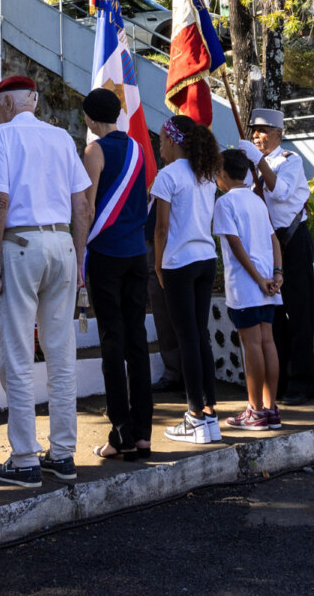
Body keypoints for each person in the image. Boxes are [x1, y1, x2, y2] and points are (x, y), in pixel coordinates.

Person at [0, 75, 91, 488]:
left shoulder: (0, 137)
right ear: (35, 101)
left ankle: (24, 458)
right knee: (61, 357)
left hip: (21, 244)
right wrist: (78, 260)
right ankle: (62, 453)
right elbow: (81, 203)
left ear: (7, 104)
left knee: (19, 356)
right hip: (62, 243)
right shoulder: (61, 139)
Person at [81, 88, 153, 460]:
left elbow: (88, 208)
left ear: (91, 120)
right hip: (136, 254)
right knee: (137, 341)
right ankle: (143, 434)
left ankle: (120, 435)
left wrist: (79, 253)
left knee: (113, 342)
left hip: (107, 254)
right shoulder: (139, 148)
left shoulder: (94, 150)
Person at [238, 108, 314, 404]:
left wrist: (258, 162)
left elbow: (280, 192)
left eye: (263, 131)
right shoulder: (253, 167)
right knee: (275, 317)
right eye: (254, 131)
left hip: (293, 241)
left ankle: (303, 382)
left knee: (299, 311)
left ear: (278, 134)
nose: (257, 136)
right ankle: (279, 381)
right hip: (268, 245)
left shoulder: (289, 161)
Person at [152, 114, 221, 446]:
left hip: (179, 262)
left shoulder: (167, 175)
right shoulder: (205, 173)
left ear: (173, 141)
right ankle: (209, 413)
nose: (159, 145)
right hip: (206, 260)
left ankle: (195, 416)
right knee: (200, 336)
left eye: (162, 140)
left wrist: (158, 265)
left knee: (187, 339)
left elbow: (161, 228)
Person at [213, 148, 284, 431]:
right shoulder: (257, 200)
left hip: (247, 284)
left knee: (252, 344)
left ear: (222, 173)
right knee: (267, 342)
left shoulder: (225, 202)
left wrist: (257, 278)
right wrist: (276, 274)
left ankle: (255, 411)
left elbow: (235, 245)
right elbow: (274, 241)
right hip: (268, 281)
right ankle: (270, 409)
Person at [145, 202, 184, 394]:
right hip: (153, 239)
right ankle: (172, 372)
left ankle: (190, 374)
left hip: (180, 241)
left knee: (186, 317)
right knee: (161, 311)